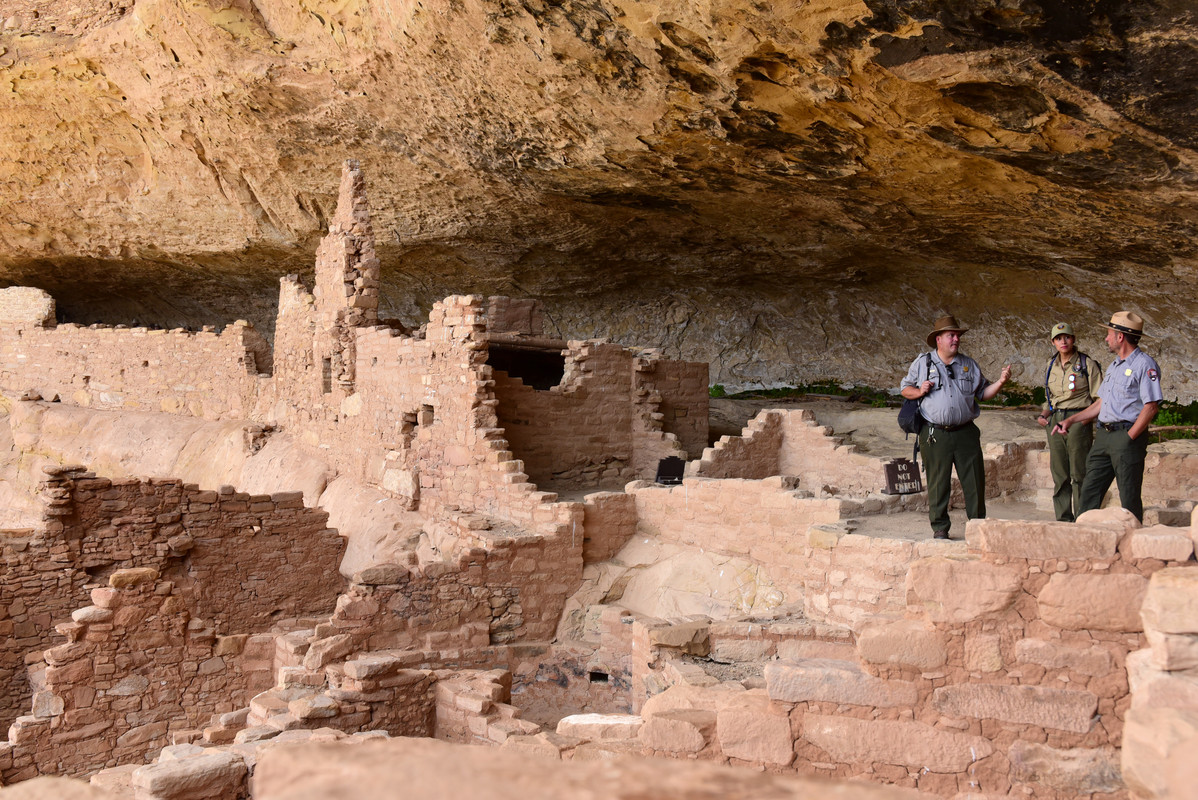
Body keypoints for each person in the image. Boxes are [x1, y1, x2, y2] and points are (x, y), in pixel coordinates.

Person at [900, 315, 1012, 539]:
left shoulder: (969, 365)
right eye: (951, 335)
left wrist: (1000, 382)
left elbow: (983, 393)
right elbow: (905, 389)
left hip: (965, 432)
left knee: (974, 480)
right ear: (938, 339)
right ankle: (940, 527)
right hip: (935, 433)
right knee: (938, 481)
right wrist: (920, 391)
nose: (956, 339)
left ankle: (978, 526)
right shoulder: (923, 363)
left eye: (957, 335)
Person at [1053, 311, 1161, 520]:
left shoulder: (1144, 364)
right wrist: (1070, 419)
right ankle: (1086, 539)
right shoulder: (1114, 366)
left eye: (1109, 334)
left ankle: (1134, 546)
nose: (1106, 338)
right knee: (1089, 492)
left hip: (1125, 435)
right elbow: (1101, 403)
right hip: (1103, 436)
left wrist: (1129, 438)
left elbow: (1151, 407)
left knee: (1128, 496)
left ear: (1120, 337)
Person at [1036, 322, 1104, 521]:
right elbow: (1050, 400)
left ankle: (1084, 518)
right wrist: (1043, 416)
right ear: (1053, 342)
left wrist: (1084, 422)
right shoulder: (1051, 365)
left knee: (1079, 472)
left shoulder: (1086, 364)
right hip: (1056, 419)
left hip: (1078, 418)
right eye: (1058, 338)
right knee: (1060, 473)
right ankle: (1064, 518)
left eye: (1066, 337)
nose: (1063, 341)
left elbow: (1100, 399)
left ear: (1073, 339)